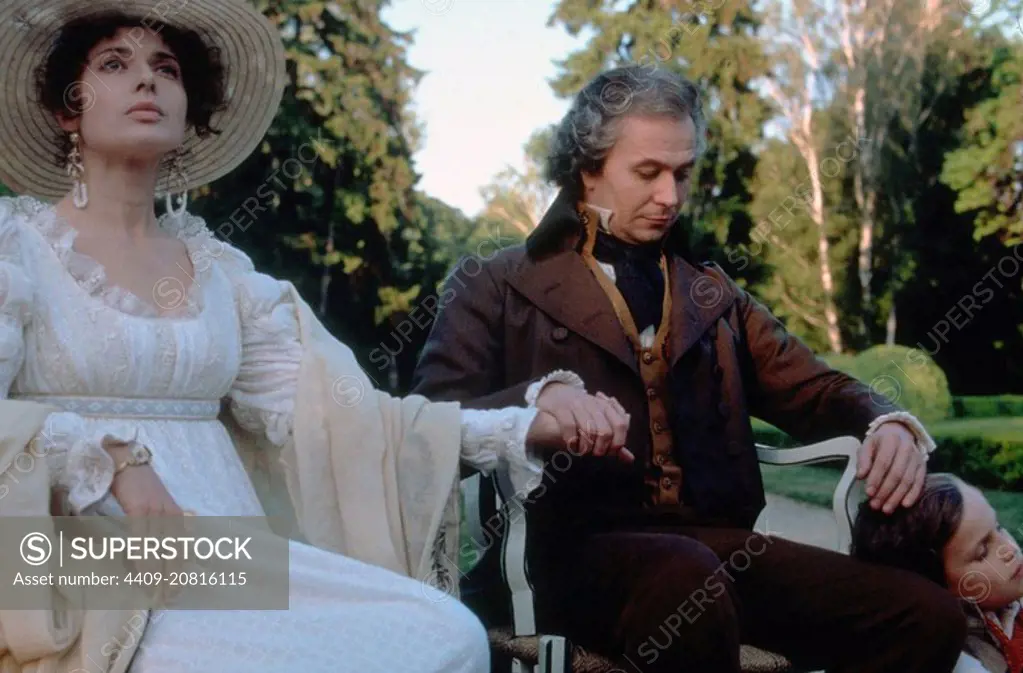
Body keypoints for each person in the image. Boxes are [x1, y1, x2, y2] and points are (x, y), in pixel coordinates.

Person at [0, 2, 630, 672]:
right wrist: (110, 458)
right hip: (72, 566)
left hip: (227, 562)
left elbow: (349, 422)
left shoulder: (227, 279)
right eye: (114, 64)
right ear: (68, 108)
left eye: (166, 68)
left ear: (190, 110)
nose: (147, 80)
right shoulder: (17, 253)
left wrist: (526, 424)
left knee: (443, 633)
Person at [410, 64, 969, 672]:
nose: (671, 197)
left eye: (682, 173)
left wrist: (886, 422)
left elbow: (817, 389)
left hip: (719, 553)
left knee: (928, 616)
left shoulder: (714, 294)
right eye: (647, 173)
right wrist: (533, 408)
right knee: (687, 578)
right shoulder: (494, 284)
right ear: (587, 168)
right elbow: (427, 425)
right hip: (562, 556)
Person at [852, 473, 1023, 673]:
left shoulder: (1008, 602)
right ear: (937, 589)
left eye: (999, 528)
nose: (1009, 549)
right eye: (982, 552)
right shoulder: (963, 660)